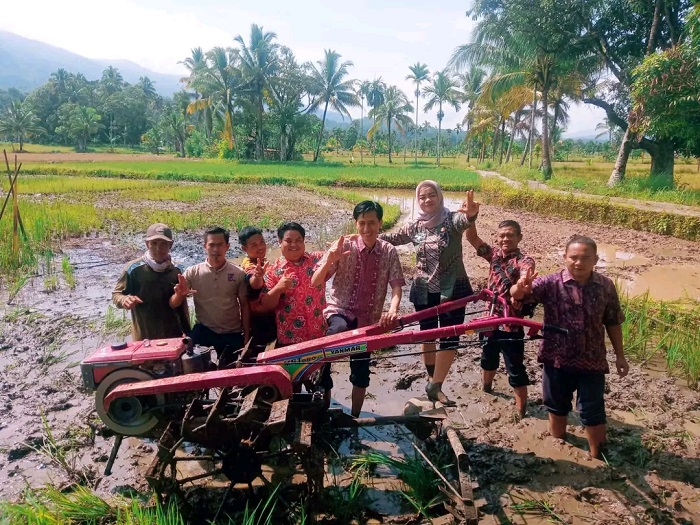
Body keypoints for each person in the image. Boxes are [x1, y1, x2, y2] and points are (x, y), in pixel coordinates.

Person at [510, 235, 629, 459]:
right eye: (573, 257)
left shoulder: (605, 286)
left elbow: (612, 321)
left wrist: (620, 356)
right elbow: (517, 298)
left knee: (593, 411)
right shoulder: (549, 283)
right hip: (556, 359)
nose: (579, 263)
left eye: (585, 258)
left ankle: (599, 458)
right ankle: (559, 449)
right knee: (556, 406)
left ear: (596, 259)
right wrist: (519, 287)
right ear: (565, 257)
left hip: (592, 360)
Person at [380, 180, 479, 406]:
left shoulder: (452, 219)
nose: (427, 200)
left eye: (431, 195)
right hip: (424, 288)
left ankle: (436, 386)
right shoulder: (414, 226)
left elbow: (465, 220)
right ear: (418, 200)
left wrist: (471, 215)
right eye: (422, 197)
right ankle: (431, 378)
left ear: (439, 196)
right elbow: (394, 239)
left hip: (453, 287)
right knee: (428, 334)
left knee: (450, 336)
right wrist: (367, 234)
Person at [312, 201, 405, 417]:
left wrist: (392, 309)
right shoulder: (343, 245)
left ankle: (354, 416)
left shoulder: (389, 251)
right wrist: (330, 260)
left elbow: (396, 286)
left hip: (369, 319)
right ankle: (321, 403)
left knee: (361, 371)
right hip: (340, 310)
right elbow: (316, 281)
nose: (367, 229)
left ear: (380, 223)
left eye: (371, 223)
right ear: (356, 224)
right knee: (332, 338)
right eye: (362, 223)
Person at [463, 213, 535, 419]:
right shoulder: (493, 255)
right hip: (489, 320)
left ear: (519, 238)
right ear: (497, 238)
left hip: (511, 324)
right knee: (488, 358)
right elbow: (472, 238)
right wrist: (471, 218)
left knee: (515, 367)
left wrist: (522, 284)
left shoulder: (524, 260)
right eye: (502, 236)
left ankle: (522, 412)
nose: (505, 239)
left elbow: (526, 271)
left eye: (510, 235)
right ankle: (486, 388)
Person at [170, 227, 249, 366]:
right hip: (204, 329)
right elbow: (173, 304)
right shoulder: (193, 272)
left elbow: (244, 305)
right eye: (212, 244)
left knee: (230, 373)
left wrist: (246, 335)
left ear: (227, 246)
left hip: (231, 331)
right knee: (188, 361)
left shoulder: (238, 273)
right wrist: (179, 294)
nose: (215, 249)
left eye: (220, 245)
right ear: (205, 246)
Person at [113, 223, 189, 341]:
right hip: (144, 336)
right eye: (154, 243)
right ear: (147, 244)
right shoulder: (134, 270)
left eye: (164, 243)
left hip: (175, 335)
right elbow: (116, 294)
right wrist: (124, 300)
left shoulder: (178, 270)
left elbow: (184, 302)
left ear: (171, 245)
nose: (159, 248)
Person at [238, 226, 277, 353]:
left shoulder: (262, 261)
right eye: (254, 245)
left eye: (262, 242)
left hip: (268, 313)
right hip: (258, 320)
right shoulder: (248, 266)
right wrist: (258, 276)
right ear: (244, 248)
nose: (260, 247)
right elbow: (254, 283)